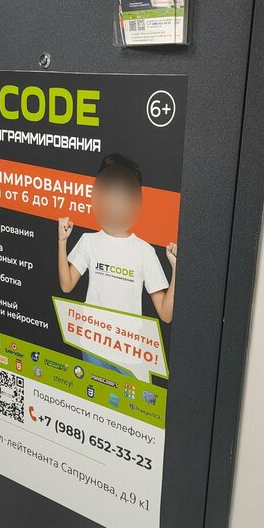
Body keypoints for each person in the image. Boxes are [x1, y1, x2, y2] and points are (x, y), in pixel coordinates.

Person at [58, 154, 177, 370]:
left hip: (127, 353)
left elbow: (166, 314)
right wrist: (62, 241)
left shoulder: (144, 251)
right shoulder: (88, 241)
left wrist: (177, 269)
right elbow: (67, 285)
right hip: (92, 346)